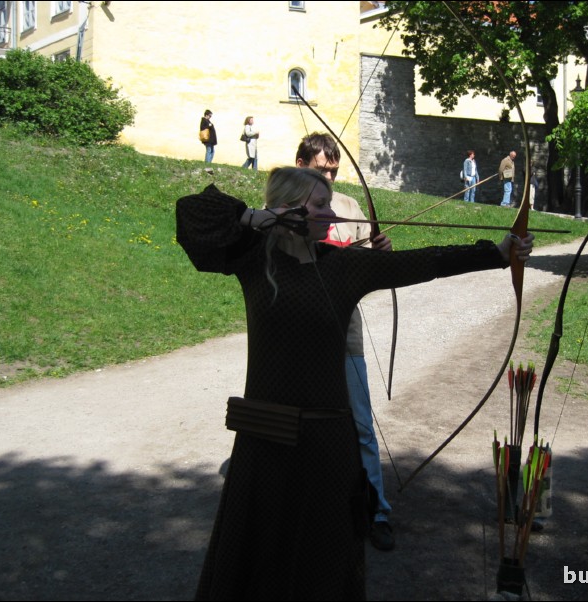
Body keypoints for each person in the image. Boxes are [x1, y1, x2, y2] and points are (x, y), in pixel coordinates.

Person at [176, 167, 534, 600]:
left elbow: (427, 262)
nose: (332, 214)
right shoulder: (254, 257)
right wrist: (259, 218)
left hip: (327, 443)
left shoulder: (343, 265)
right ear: (288, 206)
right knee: (260, 557)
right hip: (265, 442)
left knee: (323, 564)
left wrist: (497, 253)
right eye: (319, 204)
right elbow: (193, 214)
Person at [295, 132, 395, 551]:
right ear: (301, 164)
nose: (330, 178)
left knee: (360, 426)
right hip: (297, 336)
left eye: (334, 171)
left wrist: (381, 252)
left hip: (346, 333)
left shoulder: (351, 207)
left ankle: (377, 511)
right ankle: (301, 511)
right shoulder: (283, 207)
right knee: (297, 423)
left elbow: (371, 265)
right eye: (321, 170)